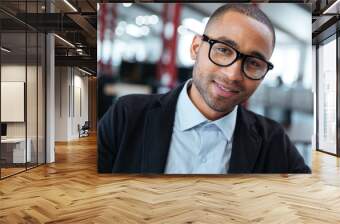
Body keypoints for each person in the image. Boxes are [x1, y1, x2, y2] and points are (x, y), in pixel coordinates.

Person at [98, 3, 311, 174]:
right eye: (223, 50)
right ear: (196, 48)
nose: (233, 75)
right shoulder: (127, 116)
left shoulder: (273, 141)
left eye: (254, 63)